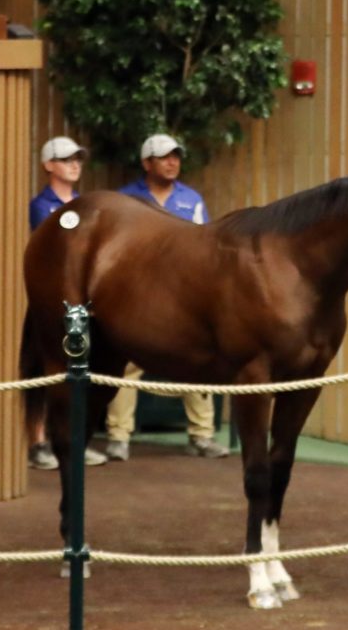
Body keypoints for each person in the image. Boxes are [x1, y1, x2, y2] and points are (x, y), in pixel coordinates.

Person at [105, 133, 229, 460]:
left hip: (183, 298)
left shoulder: (192, 199)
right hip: (137, 296)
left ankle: (201, 435)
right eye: (164, 157)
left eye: (176, 155)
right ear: (147, 163)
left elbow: (206, 245)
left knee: (198, 358)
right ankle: (118, 436)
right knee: (128, 362)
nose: (173, 162)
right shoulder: (125, 199)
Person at [27, 135, 107, 470]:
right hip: (50, 297)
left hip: (81, 300)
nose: (75, 164)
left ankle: (76, 437)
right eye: (66, 159)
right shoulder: (40, 205)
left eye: (78, 159)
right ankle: (38, 441)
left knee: (82, 367)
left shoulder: (85, 204)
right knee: (47, 365)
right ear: (48, 166)